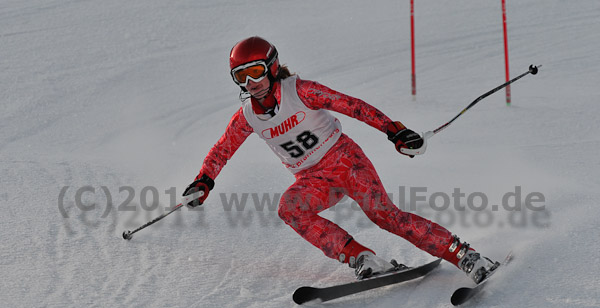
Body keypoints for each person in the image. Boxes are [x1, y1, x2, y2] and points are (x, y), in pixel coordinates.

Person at [183, 36, 498, 282]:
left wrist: (394, 131)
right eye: (241, 76)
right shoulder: (248, 117)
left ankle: (466, 256)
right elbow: (222, 150)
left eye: (255, 71)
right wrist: (204, 180)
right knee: (290, 209)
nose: (251, 82)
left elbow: (352, 106)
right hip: (313, 180)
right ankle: (363, 258)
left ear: (272, 67)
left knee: (385, 216)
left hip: (346, 162)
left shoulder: (301, 90)